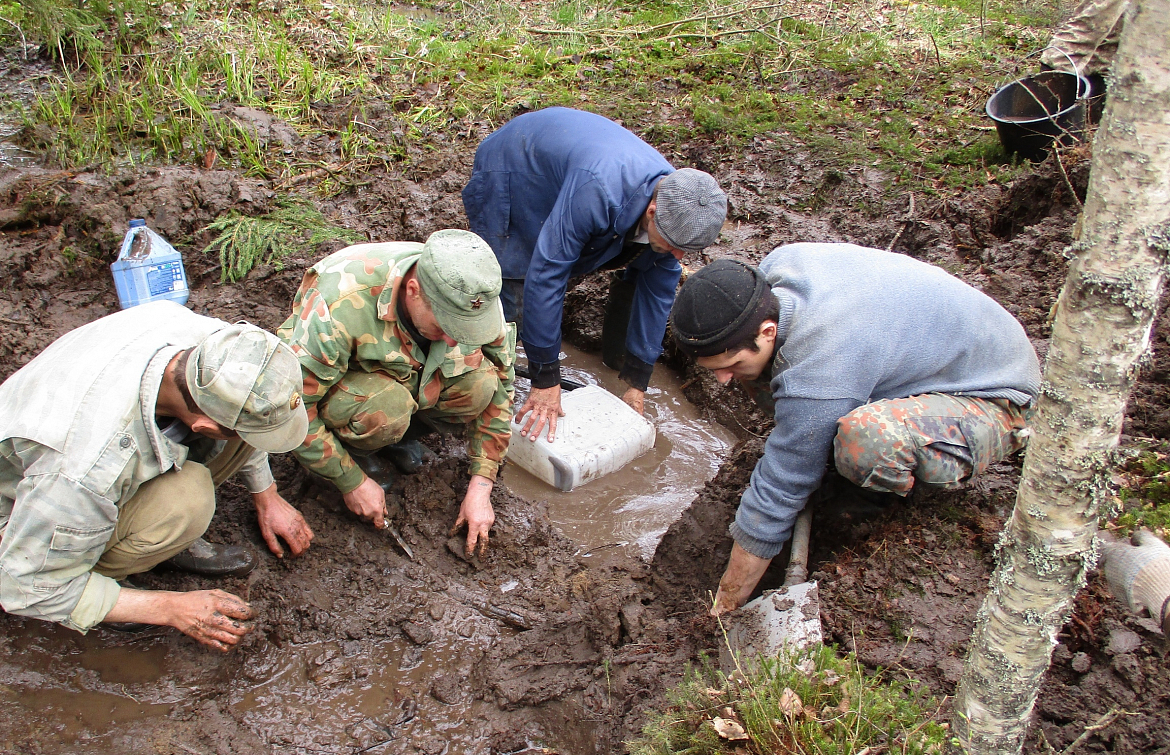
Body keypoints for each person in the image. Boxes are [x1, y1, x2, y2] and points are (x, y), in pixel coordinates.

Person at [667, 243, 1043, 615]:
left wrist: (727, 603)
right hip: (927, 350)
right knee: (764, 382)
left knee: (867, 442)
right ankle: (815, 434)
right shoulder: (772, 278)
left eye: (728, 362)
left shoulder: (823, 364)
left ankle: (884, 500)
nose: (720, 380)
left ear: (767, 330)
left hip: (992, 394)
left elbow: (778, 494)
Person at [0, 302, 314, 651]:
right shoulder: (83, 470)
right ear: (201, 425)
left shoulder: (216, 349)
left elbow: (248, 414)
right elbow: (24, 588)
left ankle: (159, 538)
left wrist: (267, 495)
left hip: (79, 456)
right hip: (28, 511)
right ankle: (109, 578)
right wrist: (170, 608)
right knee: (189, 501)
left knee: (239, 436)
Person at [462, 106, 727, 440]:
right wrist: (546, 378)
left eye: (685, 249)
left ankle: (615, 362)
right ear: (652, 211)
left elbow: (658, 293)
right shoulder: (598, 191)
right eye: (673, 244)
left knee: (654, 262)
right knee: (513, 284)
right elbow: (547, 274)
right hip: (515, 164)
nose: (679, 256)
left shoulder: (680, 204)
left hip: (577, 169)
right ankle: (488, 391)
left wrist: (636, 383)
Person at [276, 229, 514, 556]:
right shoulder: (338, 304)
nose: (456, 339)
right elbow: (294, 409)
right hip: (350, 392)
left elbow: (502, 386)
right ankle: (354, 452)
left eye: (465, 329)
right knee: (387, 410)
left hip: (406, 378)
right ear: (413, 291)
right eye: (446, 327)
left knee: (480, 384)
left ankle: (397, 439)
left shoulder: (474, 296)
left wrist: (481, 486)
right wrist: (351, 482)